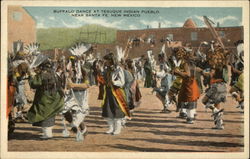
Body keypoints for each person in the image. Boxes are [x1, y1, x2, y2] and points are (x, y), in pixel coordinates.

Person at [27, 55, 64, 139]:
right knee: (50, 114)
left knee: (43, 113)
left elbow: (34, 84)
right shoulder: (54, 73)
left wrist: (31, 76)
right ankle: (48, 133)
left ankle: (47, 134)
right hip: (55, 96)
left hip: (46, 97)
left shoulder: (42, 74)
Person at [101, 53, 130, 135]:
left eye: (106, 60)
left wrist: (113, 82)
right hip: (108, 91)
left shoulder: (118, 69)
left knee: (117, 109)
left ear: (111, 60)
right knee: (108, 109)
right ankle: (111, 128)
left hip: (117, 92)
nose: (105, 62)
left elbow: (122, 82)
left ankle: (117, 129)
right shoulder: (106, 69)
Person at [202, 45, 229, 129]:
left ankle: (216, 111)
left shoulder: (214, 66)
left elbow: (210, 75)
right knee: (217, 104)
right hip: (223, 87)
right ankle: (219, 124)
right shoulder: (224, 65)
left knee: (205, 101)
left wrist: (202, 72)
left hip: (215, 86)